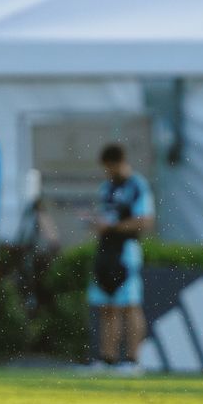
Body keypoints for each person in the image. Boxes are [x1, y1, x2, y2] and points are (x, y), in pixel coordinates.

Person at [86, 144, 154, 372]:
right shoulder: (107, 187)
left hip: (126, 251)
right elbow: (105, 216)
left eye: (108, 167)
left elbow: (145, 221)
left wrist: (113, 227)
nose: (107, 172)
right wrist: (96, 222)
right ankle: (107, 359)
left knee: (129, 305)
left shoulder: (137, 186)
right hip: (105, 251)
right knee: (107, 305)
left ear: (118, 163)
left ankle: (133, 360)